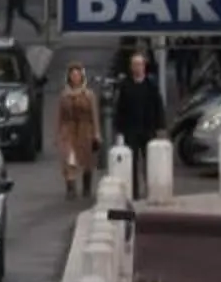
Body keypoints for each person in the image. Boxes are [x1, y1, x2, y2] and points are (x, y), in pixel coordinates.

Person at [111, 50, 168, 200]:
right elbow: (120, 109)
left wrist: (160, 126)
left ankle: (151, 190)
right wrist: (119, 130)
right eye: (134, 65)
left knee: (150, 162)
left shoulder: (151, 85)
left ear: (144, 66)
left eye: (139, 64)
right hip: (131, 130)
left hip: (148, 129)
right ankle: (134, 192)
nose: (137, 68)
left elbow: (158, 106)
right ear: (131, 67)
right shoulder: (126, 86)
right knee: (132, 164)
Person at [56, 64, 102, 200]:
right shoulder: (64, 95)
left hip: (85, 130)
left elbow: (94, 115)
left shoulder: (89, 95)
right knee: (69, 159)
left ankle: (86, 187)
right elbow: (60, 115)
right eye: (72, 75)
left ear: (82, 76)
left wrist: (97, 132)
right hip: (68, 130)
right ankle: (70, 188)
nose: (75, 77)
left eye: (77, 74)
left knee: (86, 160)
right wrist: (58, 134)